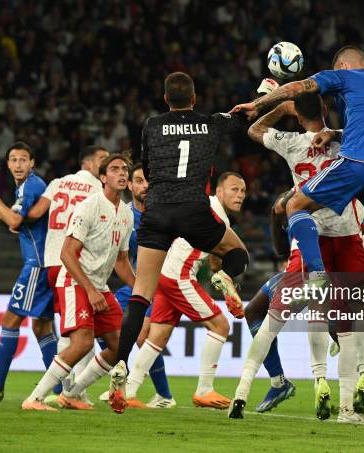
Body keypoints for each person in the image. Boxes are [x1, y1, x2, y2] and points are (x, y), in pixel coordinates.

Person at [230, 45, 364, 414]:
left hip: (321, 231)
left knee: (292, 207)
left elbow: (294, 93)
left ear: (342, 66)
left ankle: (281, 380)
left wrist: (264, 103)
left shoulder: (301, 134)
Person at [114, 72, 250, 403]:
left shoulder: (151, 124)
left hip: (157, 211)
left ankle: (119, 362)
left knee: (141, 294)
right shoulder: (210, 122)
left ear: (165, 100)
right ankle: (223, 277)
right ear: (193, 98)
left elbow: (146, 167)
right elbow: (242, 117)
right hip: (194, 210)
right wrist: (259, 101)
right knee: (238, 253)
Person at [22, 153, 135, 412]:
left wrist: (143, 289)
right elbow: (66, 253)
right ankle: (35, 399)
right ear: (103, 177)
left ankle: (71, 394)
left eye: (124, 169)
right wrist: (91, 290)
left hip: (99, 286)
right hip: (74, 280)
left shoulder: (126, 215)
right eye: (115, 169)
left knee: (119, 346)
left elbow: (121, 262)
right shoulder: (89, 206)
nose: (121, 173)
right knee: (82, 342)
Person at [124, 172, 247, 410]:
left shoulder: (209, 209)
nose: (240, 195)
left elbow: (213, 261)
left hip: (165, 273)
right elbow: (218, 258)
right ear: (219, 191)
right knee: (221, 326)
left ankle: (127, 390)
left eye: (243, 191)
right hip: (179, 276)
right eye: (234, 189)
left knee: (157, 336)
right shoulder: (212, 211)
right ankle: (204, 390)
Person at [0, 142, 55, 402]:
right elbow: (23, 219)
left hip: (36, 266)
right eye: (13, 160)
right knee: (43, 327)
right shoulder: (29, 187)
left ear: (32, 163)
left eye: (23, 160)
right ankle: (61, 390)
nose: (18, 165)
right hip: (44, 264)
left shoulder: (31, 185)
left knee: (10, 321)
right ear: (7, 164)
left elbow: (15, 221)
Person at [26, 145, 110, 403]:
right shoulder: (98, 189)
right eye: (103, 160)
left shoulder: (57, 183)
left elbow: (35, 214)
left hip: (52, 261)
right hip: (75, 263)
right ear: (88, 163)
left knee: (77, 329)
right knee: (80, 331)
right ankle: (71, 391)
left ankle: (71, 390)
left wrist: (9, 220)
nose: (107, 164)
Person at [98, 162, 175, 408]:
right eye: (140, 180)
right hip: (132, 284)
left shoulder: (164, 215)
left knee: (141, 336)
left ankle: (158, 394)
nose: (146, 186)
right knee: (106, 331)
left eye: (149, 181)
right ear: (129, 185)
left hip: (159, 284)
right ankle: (121, 386)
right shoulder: (123, 215)